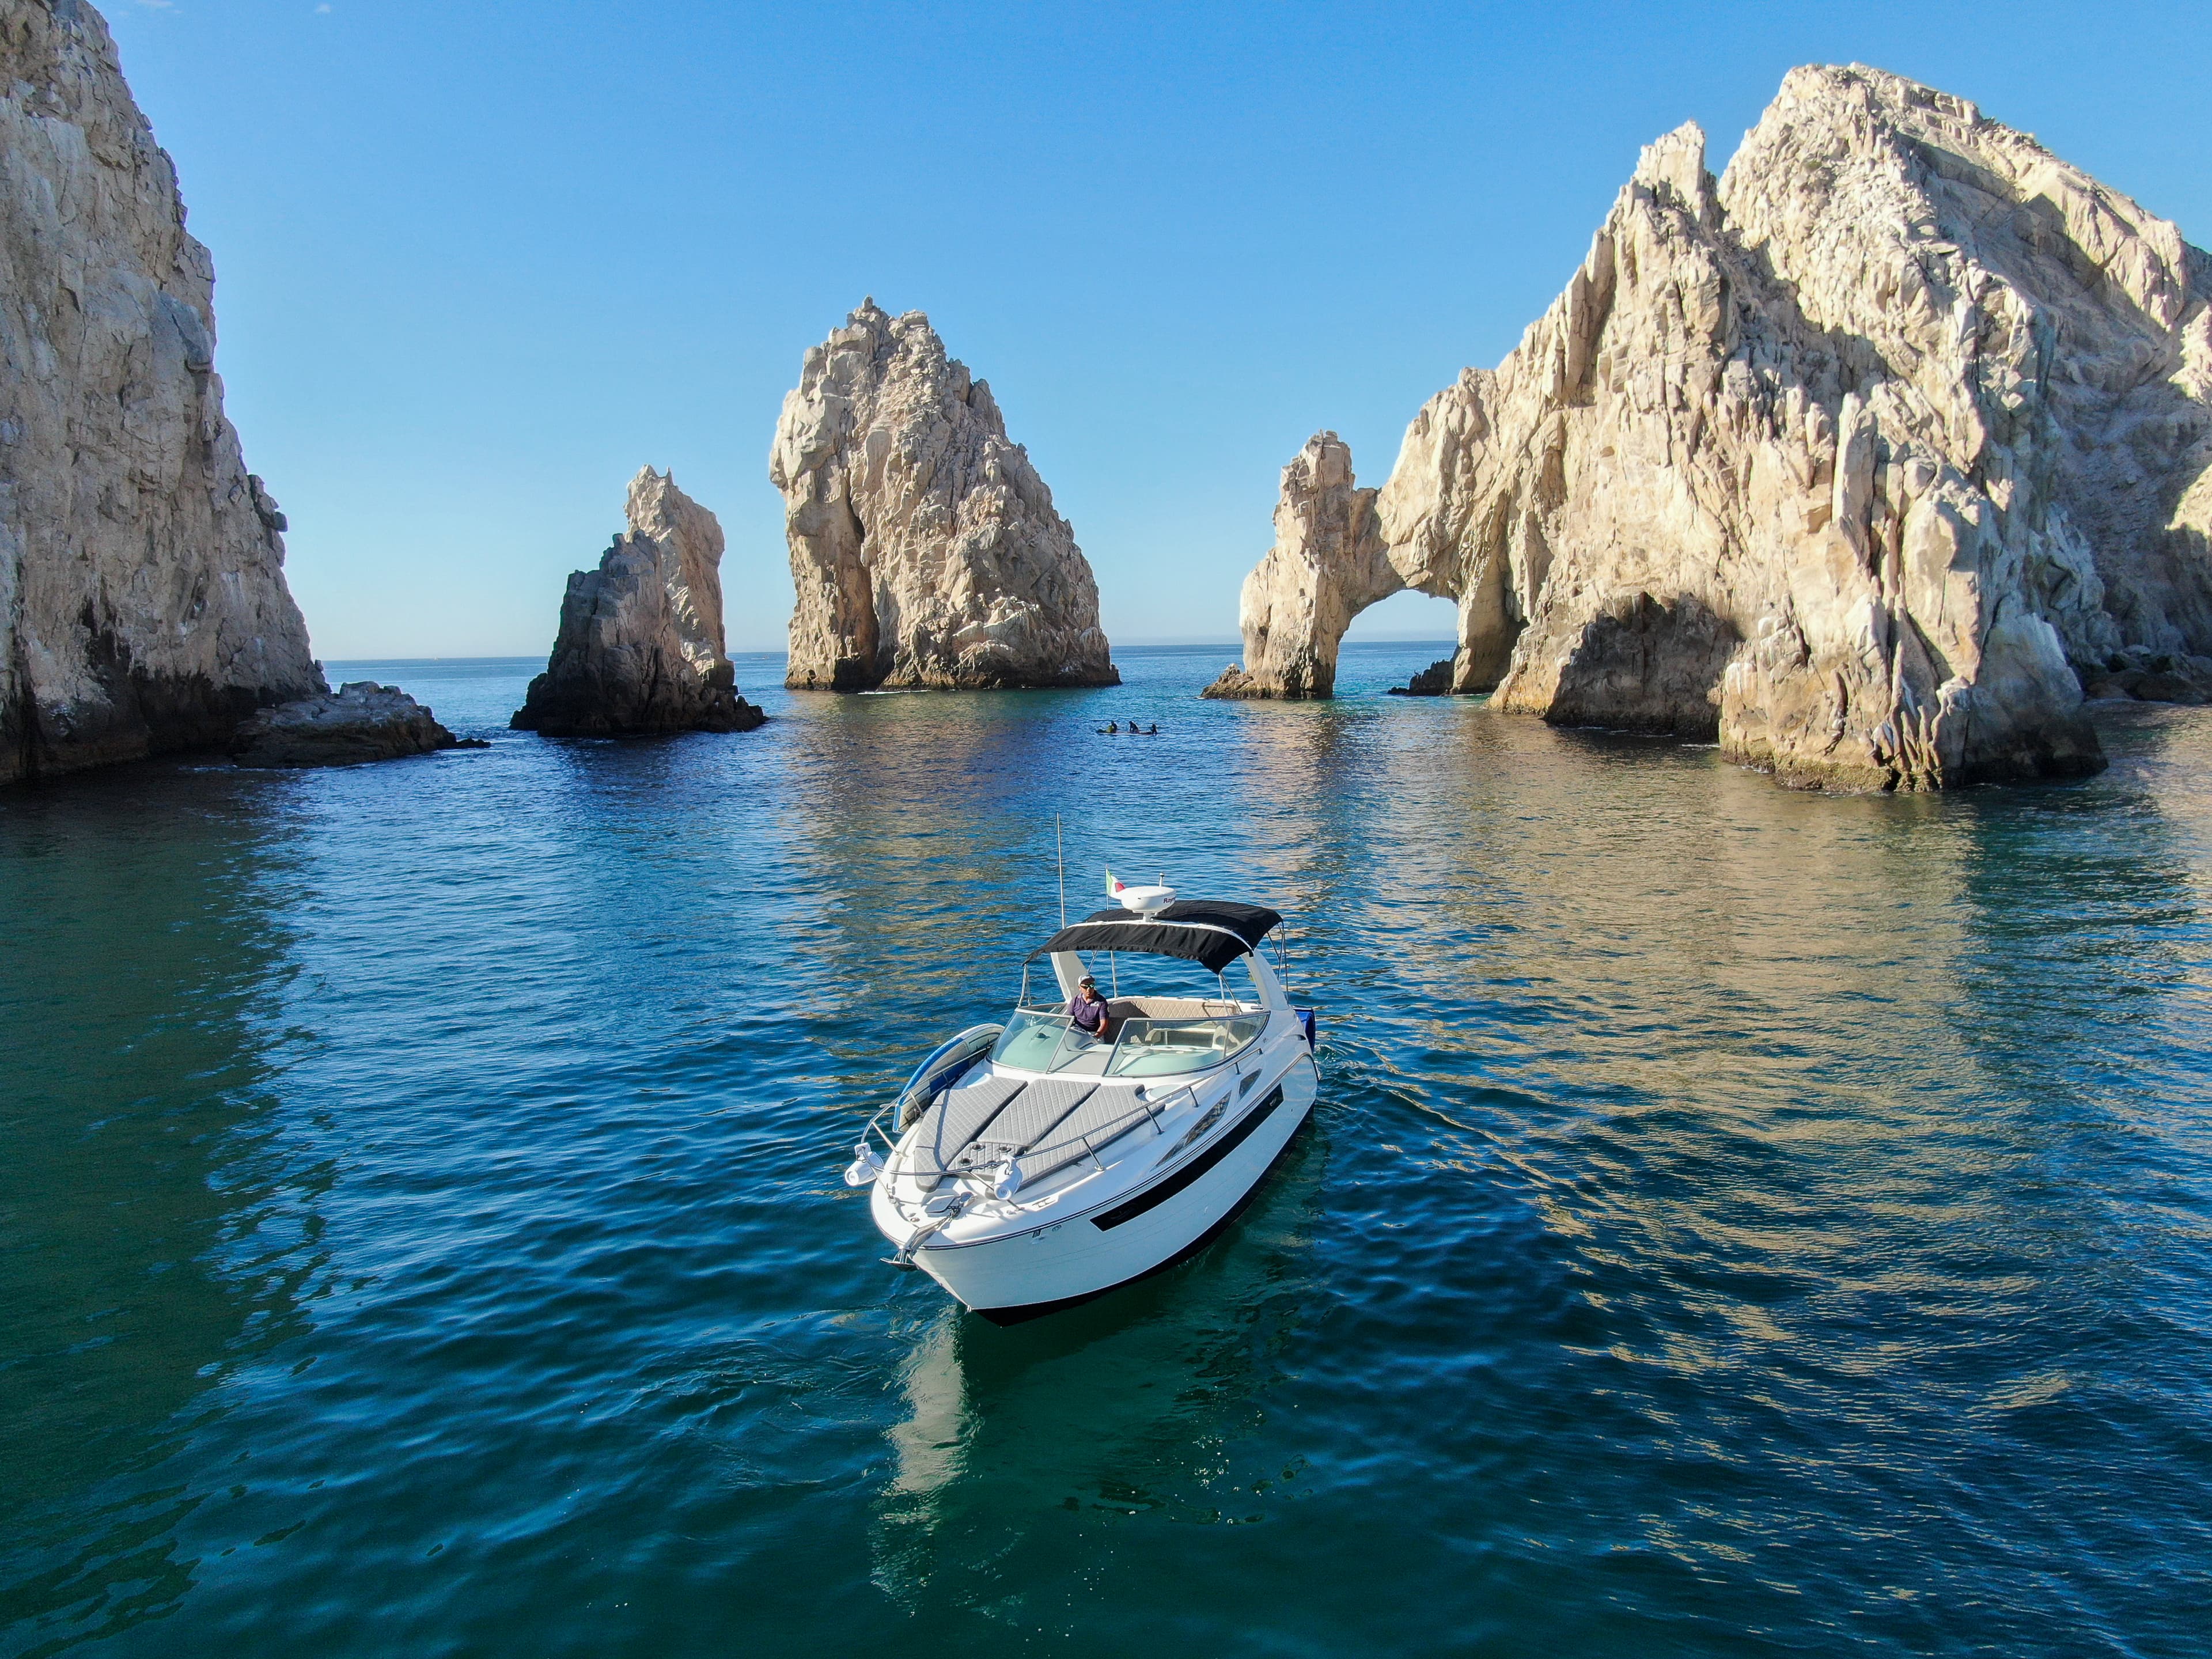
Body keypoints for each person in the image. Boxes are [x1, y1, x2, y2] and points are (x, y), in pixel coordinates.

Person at [1066, 974, 1112, 1041]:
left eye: (1092, 986)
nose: (1089, 989)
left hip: (1094, 1033)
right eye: (1085, 987)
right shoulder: (1075, 1001)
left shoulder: (1101, 1002)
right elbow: (1069, 1019)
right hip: (1078, 1031)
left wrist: (1095, 1037)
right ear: (1079, 988)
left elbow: (1104, 1024)